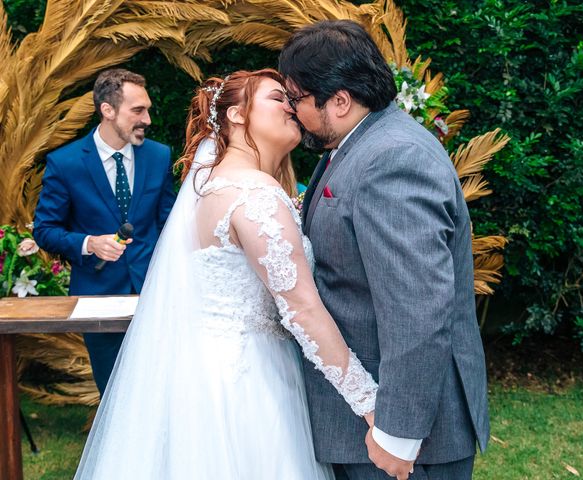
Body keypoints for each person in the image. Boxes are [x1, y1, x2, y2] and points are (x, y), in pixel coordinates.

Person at [73, 69, 379, 479]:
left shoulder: (214, 187)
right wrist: (370, 402)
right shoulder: (254, 194)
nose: (292, 106)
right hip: (247, 384)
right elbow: (302, 310)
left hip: (207, 371)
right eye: (277, 98)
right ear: (237, 115)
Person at [279, 20, 490, 480]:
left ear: (339, 100)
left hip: (404, 442)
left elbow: (418, 307)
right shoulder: (360, 145)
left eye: (296, 99)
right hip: (367, 423)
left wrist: (397, 433)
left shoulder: (391, 158)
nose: (293, 111)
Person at [33, 69, 176, 396]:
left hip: (155, 293)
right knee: (113, 395)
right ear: (107, 111)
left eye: (148, 109)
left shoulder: (158, 156)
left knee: (159, 391)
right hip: (97, 297)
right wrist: (88, 243)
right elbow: (45, 230)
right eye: (138, 111)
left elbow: (169, 222)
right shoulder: (65, 163)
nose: (148, 119)